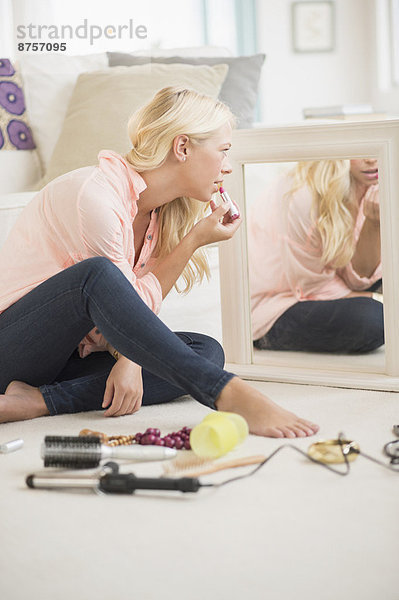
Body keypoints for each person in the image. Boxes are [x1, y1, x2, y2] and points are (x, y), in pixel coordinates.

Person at [0, 86, 319, 439]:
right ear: (182, 147)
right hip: (14, 349)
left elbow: (128, 308)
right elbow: (116, 293)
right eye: (223, 151)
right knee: (96, 275)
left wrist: (130, 358)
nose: (227, 166)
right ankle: (228, 393)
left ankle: (39, 402)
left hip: (68, 359)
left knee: (206, 351)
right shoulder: (95, 196)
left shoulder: (155, 214)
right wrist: (131, 357)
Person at [248, 158, 383, 353]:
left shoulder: (371, 182)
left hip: (330, 283)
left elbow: (358, 279)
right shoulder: (303, 194)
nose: (371, 158)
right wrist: (379, 299)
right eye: (362, 147)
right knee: (375, 318)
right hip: (279, 304)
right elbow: (311, 286)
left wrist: (373, 222)